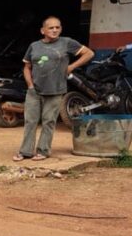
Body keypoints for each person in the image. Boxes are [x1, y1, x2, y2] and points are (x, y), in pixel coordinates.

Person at [13, 16, 94, 162]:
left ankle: (43, 151)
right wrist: (30, 85)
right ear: (42, 30)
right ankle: (25, 151)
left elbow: (89, 53)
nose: (55, 30)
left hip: (56, 90)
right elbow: (27, 67)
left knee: (48, 121)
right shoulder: (34, 46)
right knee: (30, 121)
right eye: (51, 28)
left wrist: (71, 66)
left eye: (58, 27)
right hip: (34, 90)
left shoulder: (67, 42)